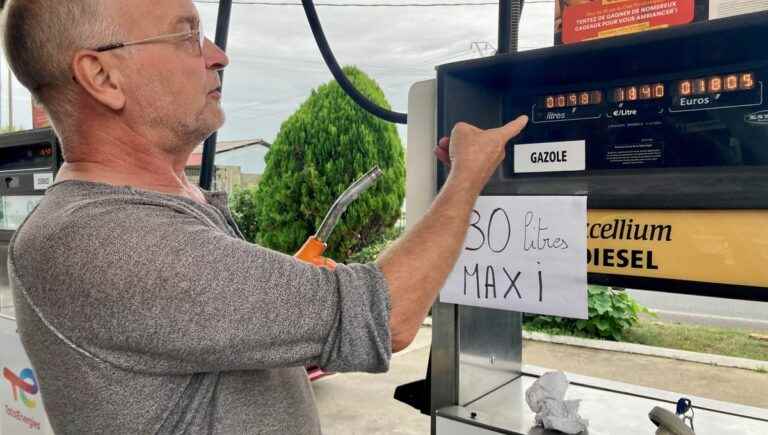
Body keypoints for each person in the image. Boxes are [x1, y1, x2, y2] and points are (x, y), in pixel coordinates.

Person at [2, 0, 528, 433]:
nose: (218, 55)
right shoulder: (100, 239)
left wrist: (283, 326)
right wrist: (467, 177)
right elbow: (386, 316)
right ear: (101, 76)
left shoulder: (165, 207)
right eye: (186, 36)